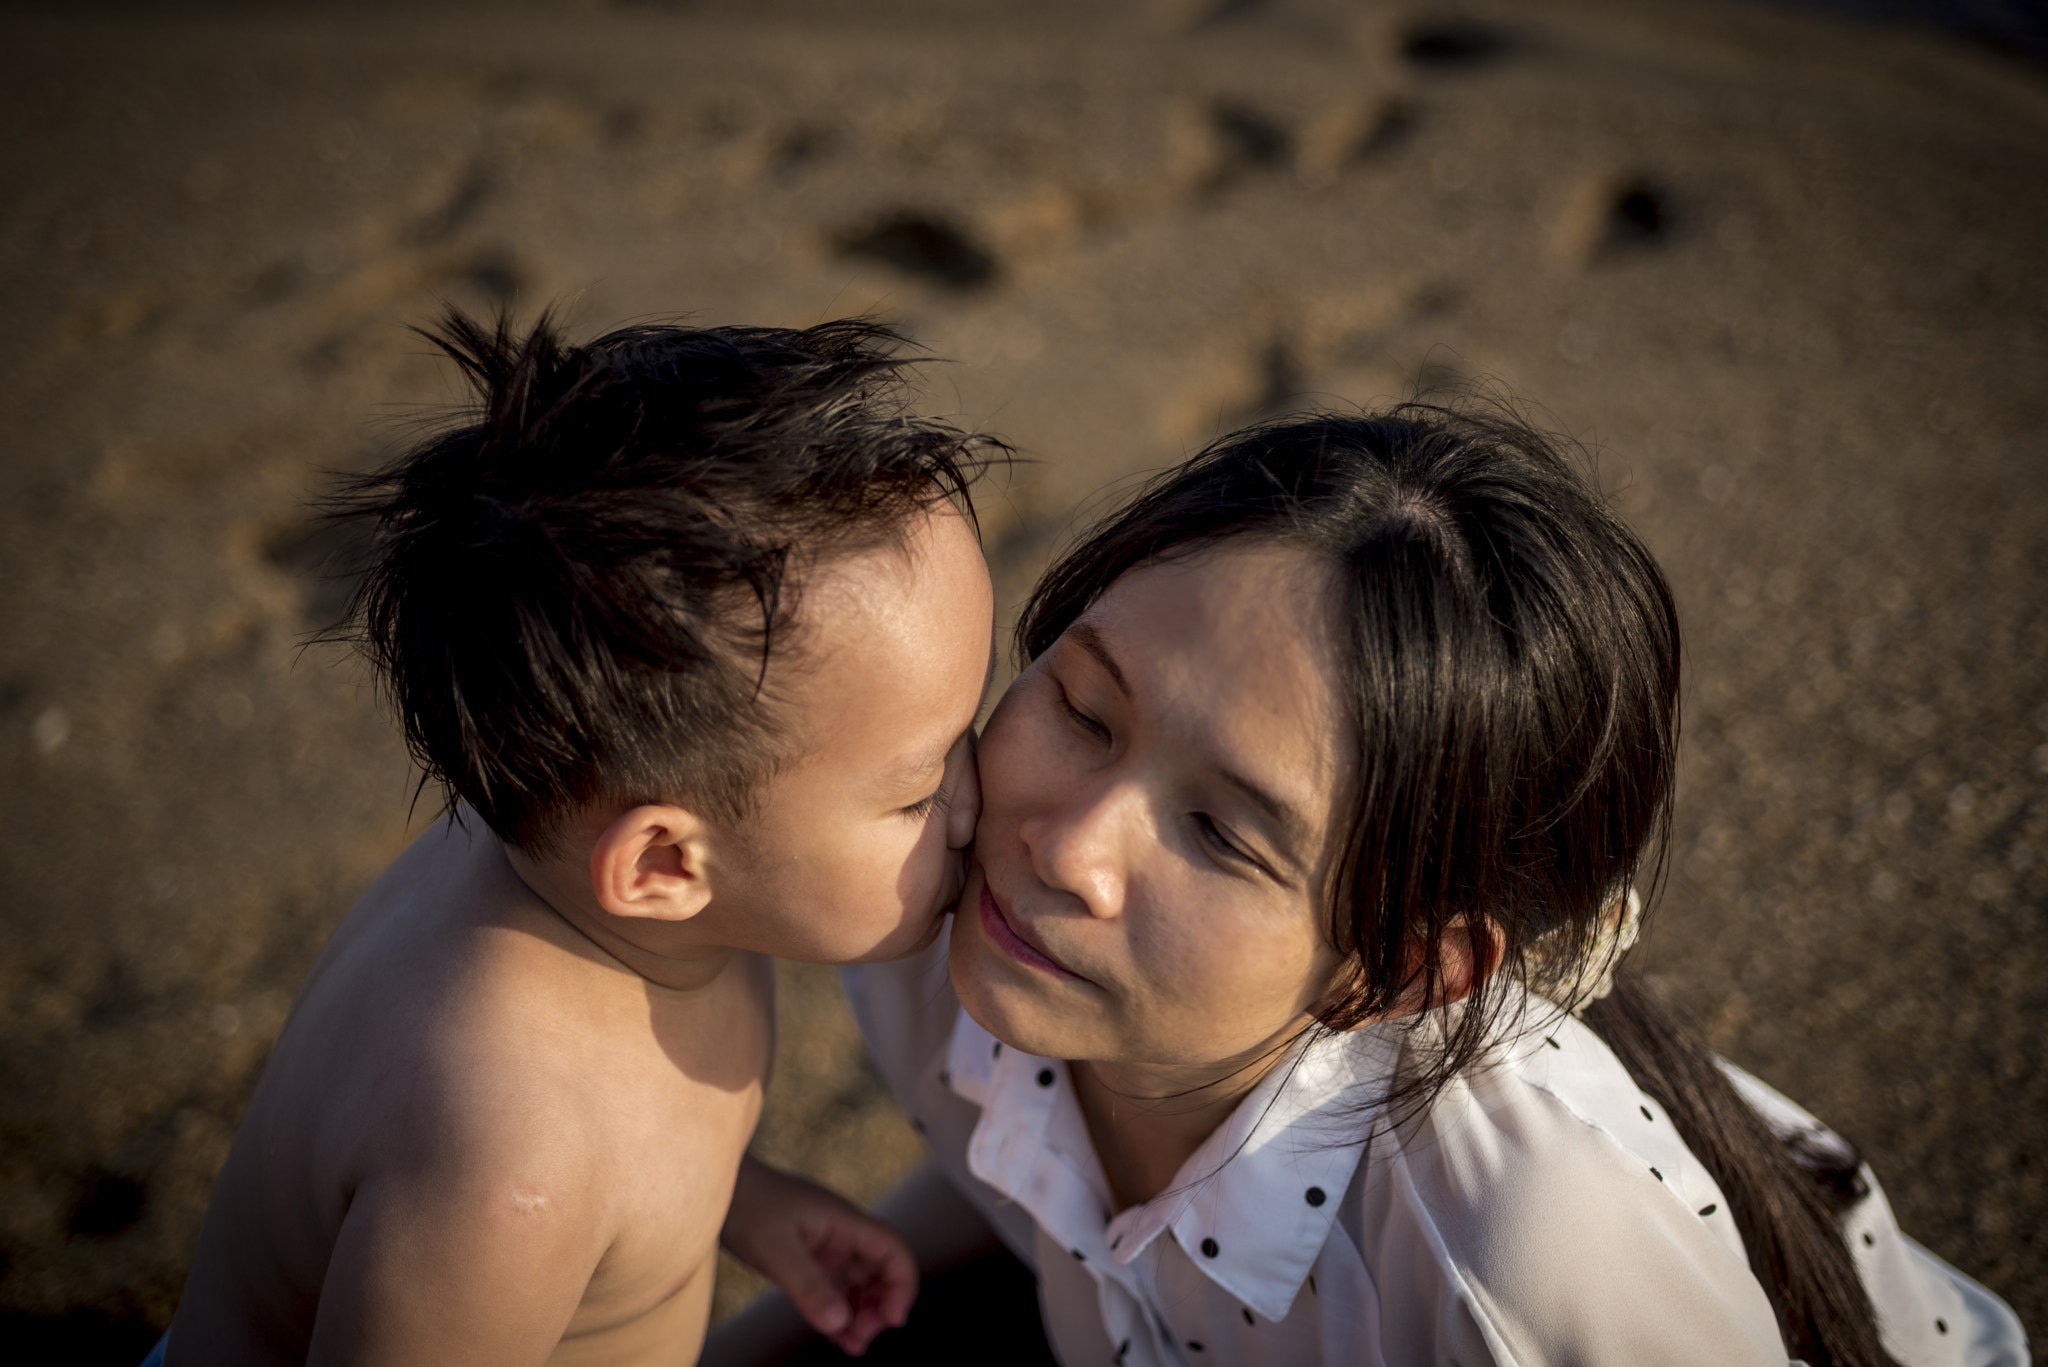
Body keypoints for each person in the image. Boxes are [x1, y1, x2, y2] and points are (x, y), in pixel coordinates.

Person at [716, 402, 2029, 1366]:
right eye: (1082, 704)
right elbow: (1040, 1181)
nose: (1067, 843)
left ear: (1400, 969)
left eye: (1224, 832)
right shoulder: (936, 916)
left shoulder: (1518, 1261)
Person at [162, 309, 1003, 1366]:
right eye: (922, 784)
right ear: (661, 864)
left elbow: (631, 1147)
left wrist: (742, 1204)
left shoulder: (563, 862)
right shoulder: (508, 1163)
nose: (976, 795)